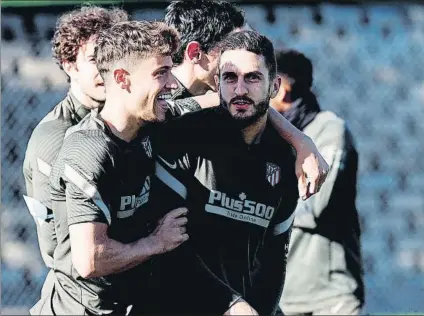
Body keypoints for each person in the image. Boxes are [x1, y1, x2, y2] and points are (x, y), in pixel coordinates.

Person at [150, 30, 299, 315]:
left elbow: (274, 258)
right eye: (230, 78)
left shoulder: (285, 158)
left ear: (274, 86)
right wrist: (229, 303)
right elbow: (170, 250)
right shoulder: (183, 139)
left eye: (253, 78)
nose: (240, 90)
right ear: (217, 83)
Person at [46, 21, 189, 315]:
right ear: (123, 79)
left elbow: (225, 104)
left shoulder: (152, 119)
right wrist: (156, 243)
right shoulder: (89, 150)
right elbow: (90, 260)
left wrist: (300, 141)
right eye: (161, 73)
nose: (173, 84)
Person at [22, 6, 129, 314]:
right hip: (78, 305)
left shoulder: (124, 125)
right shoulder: (56, 138)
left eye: (112, 59)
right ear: (69, 64)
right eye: (95, 59)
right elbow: (71, 254)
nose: (105, 69)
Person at [163, 0, 329, 199]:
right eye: (233, 46)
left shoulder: (222, 105)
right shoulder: (152, 90)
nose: (245, 54)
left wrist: (300, 141)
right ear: (195, 53)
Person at [270, 49, 364, 315]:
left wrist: (258, 204)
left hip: (330, 297)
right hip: (284, 295)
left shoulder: (329, 130)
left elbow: (314, 202)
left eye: (263, 81)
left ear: (283, 89)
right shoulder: (269, 136)